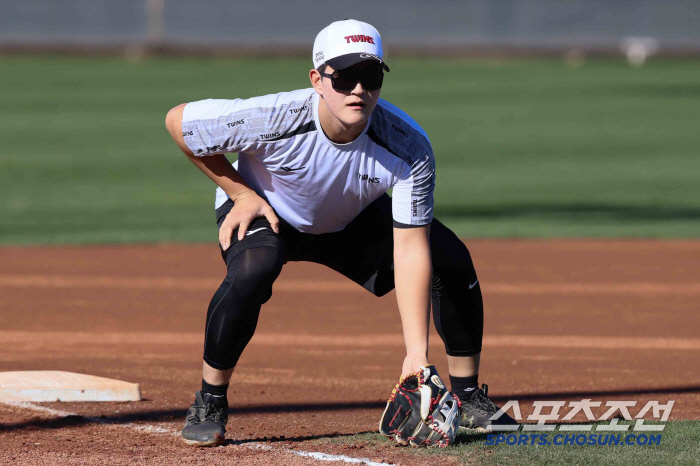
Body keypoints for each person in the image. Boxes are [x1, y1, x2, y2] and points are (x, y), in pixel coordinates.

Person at [165, 19, 515, 447]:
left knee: (450, 255)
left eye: (369, 77)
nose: (358, 90)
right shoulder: (274, 116)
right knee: (256, 268)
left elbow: (410, 249)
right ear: (317, 79)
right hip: (266, 210)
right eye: (344, 76)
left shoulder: (407, 146)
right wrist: (239, 192)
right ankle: (210, 399)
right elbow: (179, 122)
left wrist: (416, 357)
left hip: (350, 219)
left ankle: (465, 396)